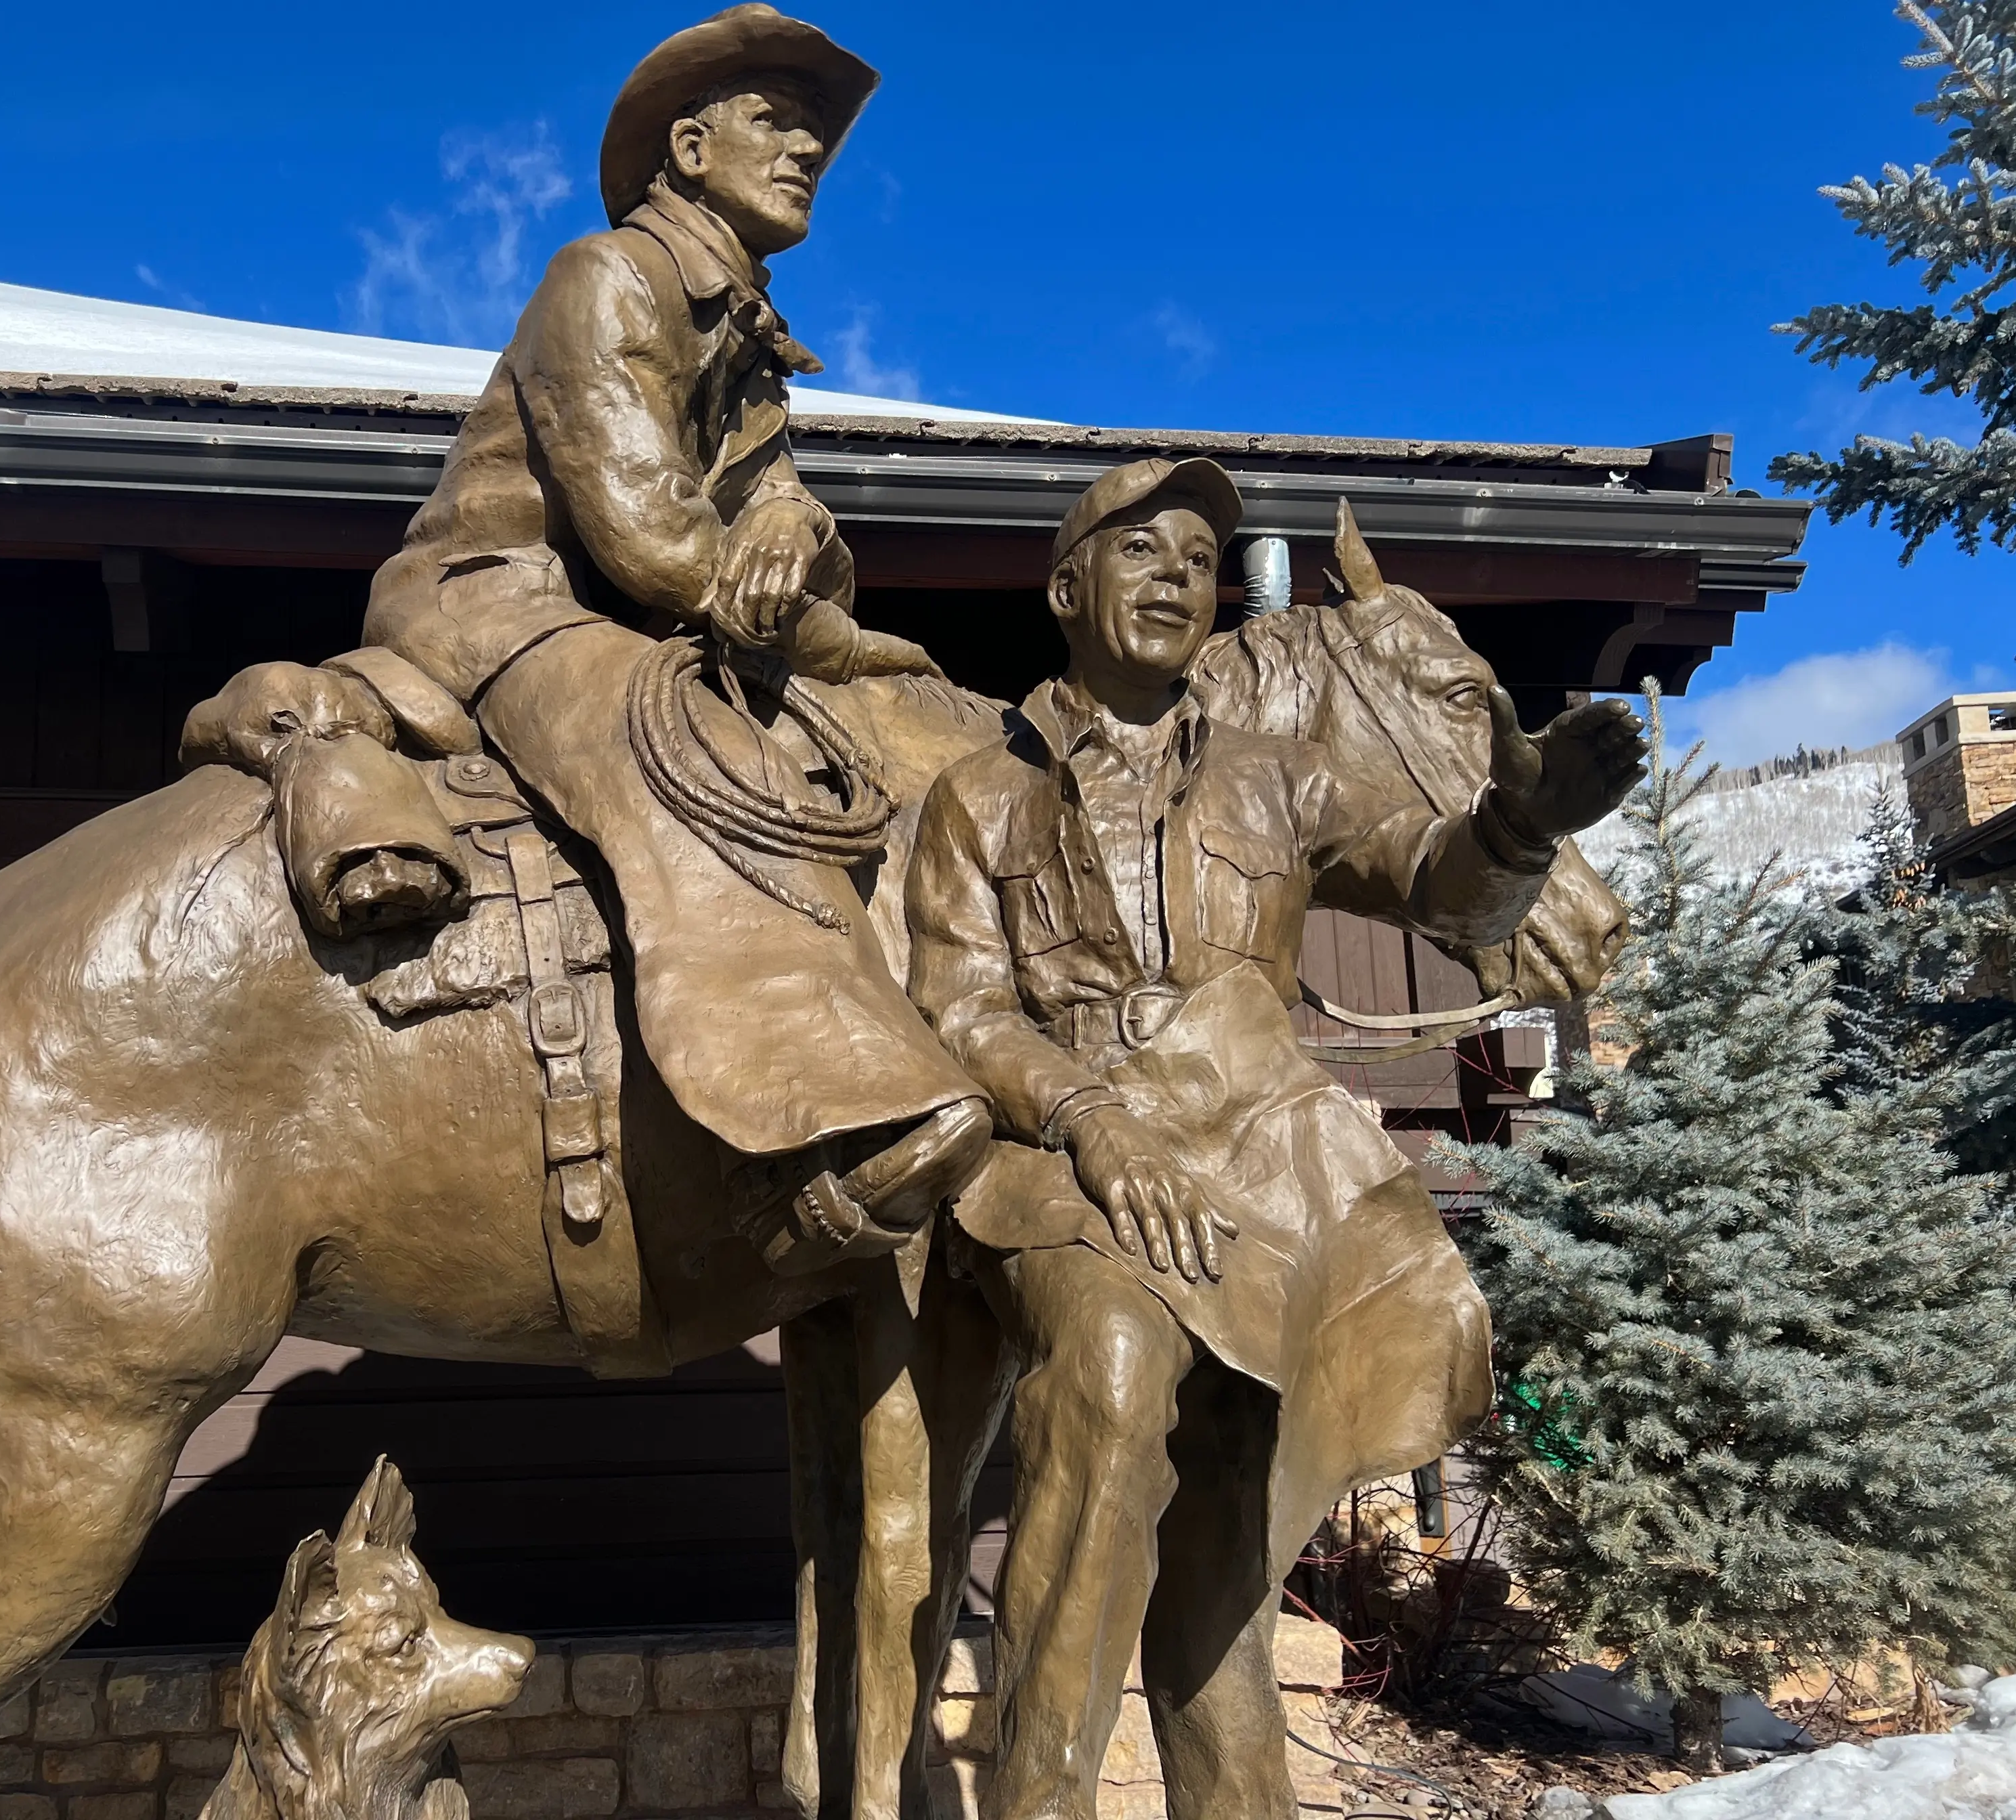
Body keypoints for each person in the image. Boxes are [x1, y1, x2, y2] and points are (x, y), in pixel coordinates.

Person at [904, 456, 1648, 1820]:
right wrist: (1092, 1123)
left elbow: (1438, 883)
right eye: (1144, 551)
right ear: (1067, 589)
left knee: (1236, 1513)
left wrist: (1521, 823)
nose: (1180, 577)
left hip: (1254, 1165)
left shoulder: (1282, 783)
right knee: (1116, 1368)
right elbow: (961, 1012)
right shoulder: (980, 797)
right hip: (1063, 1164)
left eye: (1201, 560)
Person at [357, 6, 987, 1259]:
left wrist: (799, 535)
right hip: (495, 601)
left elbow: (784, 527)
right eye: (776, 121)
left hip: (624, 616)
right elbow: (652, 538)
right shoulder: (606, 279)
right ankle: (802, 1113)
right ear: (691, 150)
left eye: (817, 136)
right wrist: (832, 638)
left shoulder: (745, 339)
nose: (807, 151)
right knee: (694, 753)